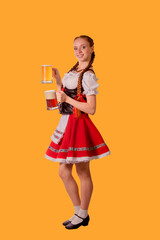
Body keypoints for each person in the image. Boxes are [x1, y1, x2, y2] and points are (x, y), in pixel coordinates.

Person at [45, 35, 111, 230]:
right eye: (75, 48)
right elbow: (64, 96)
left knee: (82, 171)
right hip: (66, 123)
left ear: (91, 48)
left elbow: (91, 108)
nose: (79, 51)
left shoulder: (88, 75)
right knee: (63, 171)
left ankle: (82, 213)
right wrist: (58, 83)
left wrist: (66, 98)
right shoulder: (73, 70)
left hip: (79, 125)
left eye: (83, 47)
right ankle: (78, 212)